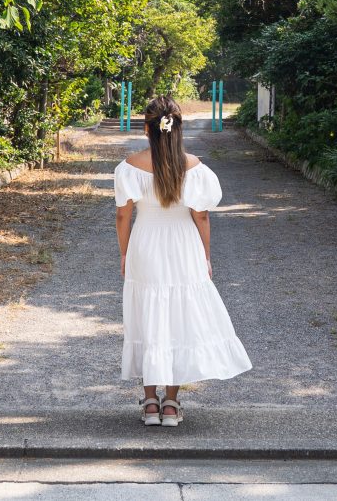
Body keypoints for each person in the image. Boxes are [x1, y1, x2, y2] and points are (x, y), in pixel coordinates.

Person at [114, 95, 252, 427]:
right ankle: (172, 405)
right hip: (184, 245)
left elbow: (122, 215)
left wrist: (123, 253)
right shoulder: (195, 168)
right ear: (178, 128)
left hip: (145, 243)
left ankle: (150, 403)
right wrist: (205, 255)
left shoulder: (129, 166)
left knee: (148, 316)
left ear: (147, 128)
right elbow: (201, 217)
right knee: (176, 319)